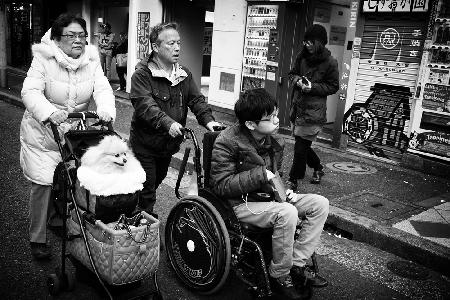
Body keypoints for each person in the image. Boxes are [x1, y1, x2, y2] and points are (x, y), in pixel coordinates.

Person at [210, 88, 329, 300]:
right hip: (239, 205)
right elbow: (221, 185)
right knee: (287, 213)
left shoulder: (275, 142)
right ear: (250, 124)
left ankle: (296, 265)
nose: (276, 120)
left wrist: (285, 190)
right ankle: (279, 275)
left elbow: (276, 177)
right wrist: (260, 175)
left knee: (319, 203)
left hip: (269, 199)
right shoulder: (226, 141)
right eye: (270, 117)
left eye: (275, 113)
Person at [20, 13, 116, 259]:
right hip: (42, 132)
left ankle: (61, 219)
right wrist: (50, 112)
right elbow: (30, 91)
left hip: (73, 131)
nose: (78, 40)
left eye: (82, 35)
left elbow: (102, 87)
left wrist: (106, 110)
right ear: (57, 38)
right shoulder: (43, 58)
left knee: (72, 178)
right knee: (43, 183)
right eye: (71, 35)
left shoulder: (91, 60)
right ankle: (37, 238)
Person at [129, 22, 220, 214]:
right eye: (171, 43)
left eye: (178, 43)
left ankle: (132, 210)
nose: (177, 47)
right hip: (145, 144)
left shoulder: (183, 73)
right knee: (147, 189)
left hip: (168, 145)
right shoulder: (141, 75)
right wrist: (167, 123)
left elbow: (196, 100)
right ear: (156, 47)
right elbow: (146, 106)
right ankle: (143, 229)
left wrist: (209, 120)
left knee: (156, 180)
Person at [286, 24, 339, 189]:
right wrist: (299, 82)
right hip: (298, 108)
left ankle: (293, 180)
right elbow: (291, 74)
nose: (306, 44)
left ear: (320, 43)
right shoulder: (301, 57)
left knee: (300, 148)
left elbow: (333, 86)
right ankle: (318, 167)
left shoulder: (330, 62)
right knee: (303, 145)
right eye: (305, 41)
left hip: (314, 112)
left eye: (310, 42)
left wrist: (313, 88)